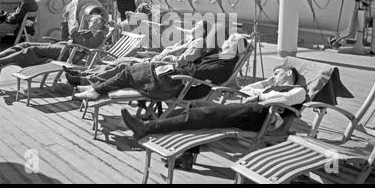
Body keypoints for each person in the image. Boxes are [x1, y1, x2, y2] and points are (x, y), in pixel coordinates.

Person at [120, 67, 306, 168]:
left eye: (277, 73)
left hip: (261, 117)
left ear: (289, 73)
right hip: (249, 112)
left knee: (202, 114)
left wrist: (261, 96)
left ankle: (147, 127)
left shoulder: (299, 90)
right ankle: (187, 155)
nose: (273, 77)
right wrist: (266, 85)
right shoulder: (270, 87)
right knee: (196, 106)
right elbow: (245, 91)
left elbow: (285, 98)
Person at [73, 33, 248, 102]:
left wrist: (175, 65)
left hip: (181, 86)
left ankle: (95, 90)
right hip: (176, 78)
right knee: (131, 71)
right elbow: (193, 67)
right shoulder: (220, 58)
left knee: (128, 72)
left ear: (235, 50)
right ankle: (95, 88)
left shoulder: (222, 65)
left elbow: (193, 71)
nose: (226, 43)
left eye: (230, 43)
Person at [63, 20, 215, 86]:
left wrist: (160, 58)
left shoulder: (197, 43)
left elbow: (182, 61)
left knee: (122, 66)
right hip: (155, 61)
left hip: (159, 67)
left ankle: (85, 80)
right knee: (120, 61)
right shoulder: (188, 40)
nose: (193, 27)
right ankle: (85, 76)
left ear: (203, 31)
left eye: (197, 26)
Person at [0, 15, 107, 69]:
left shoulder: (99, 34)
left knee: (31, 50)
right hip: (63, 46)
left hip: (70, 53)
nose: (89, 23)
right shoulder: (88, 31)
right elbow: (67, 38)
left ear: (97, 23)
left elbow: (87, 45)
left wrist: (74, 32)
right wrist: (66, 22)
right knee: (24, 44)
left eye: (91, 21)